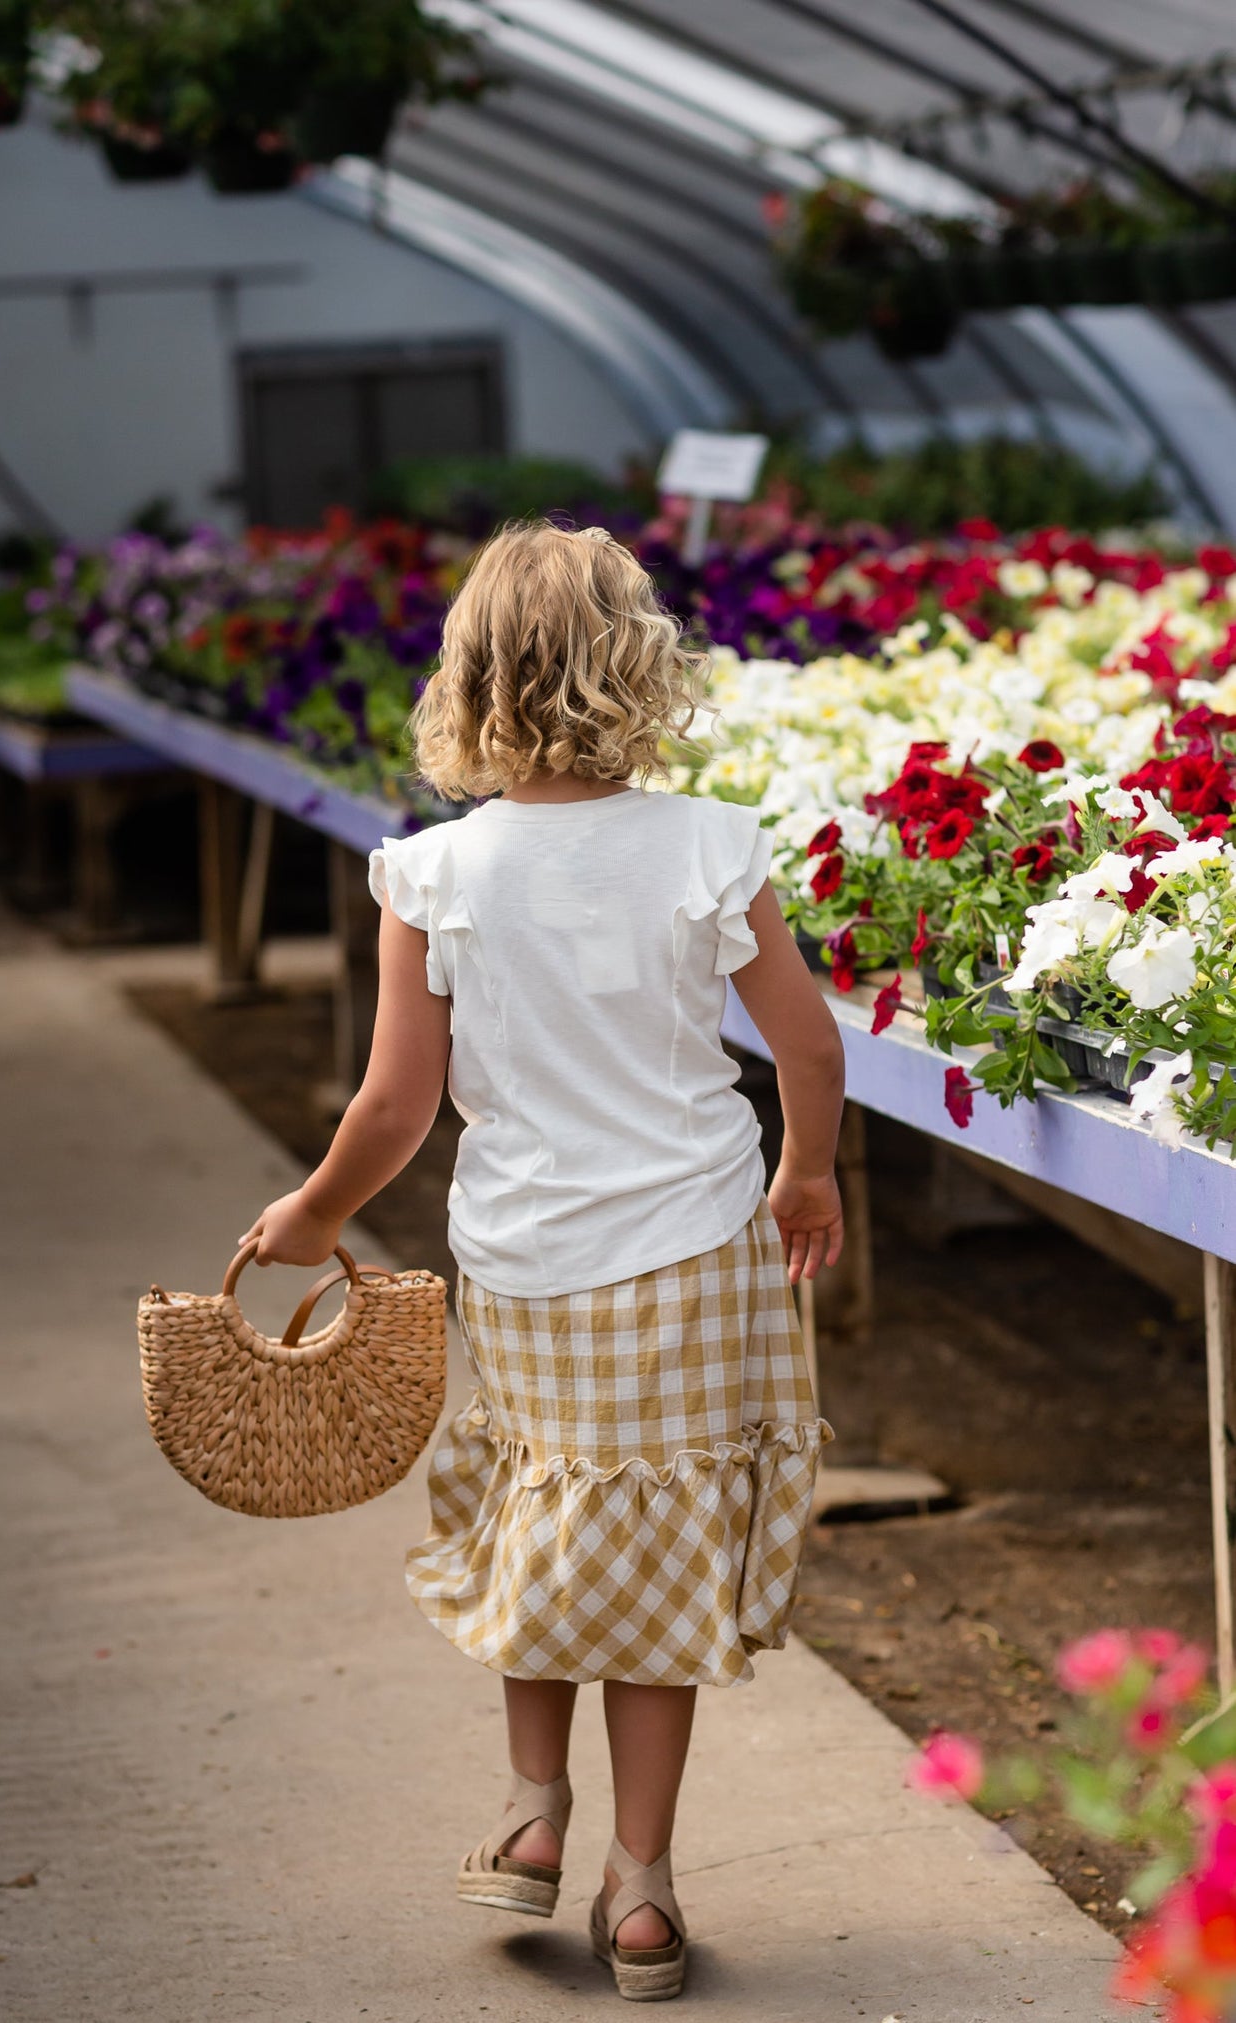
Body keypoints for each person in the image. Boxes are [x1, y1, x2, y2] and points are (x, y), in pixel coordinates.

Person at [241, 522, 844, 2002]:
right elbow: (807, 1047)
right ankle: (639, 1895)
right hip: (696, 1244)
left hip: (524, 1254)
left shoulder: (435, 873)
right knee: (653, 1557)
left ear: (471, 682)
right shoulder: (708, 844)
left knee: (540, 1515)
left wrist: (315, 1214)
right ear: (638, 671)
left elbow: (394, 1106)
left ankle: (528, 1814)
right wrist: (805, 1172)